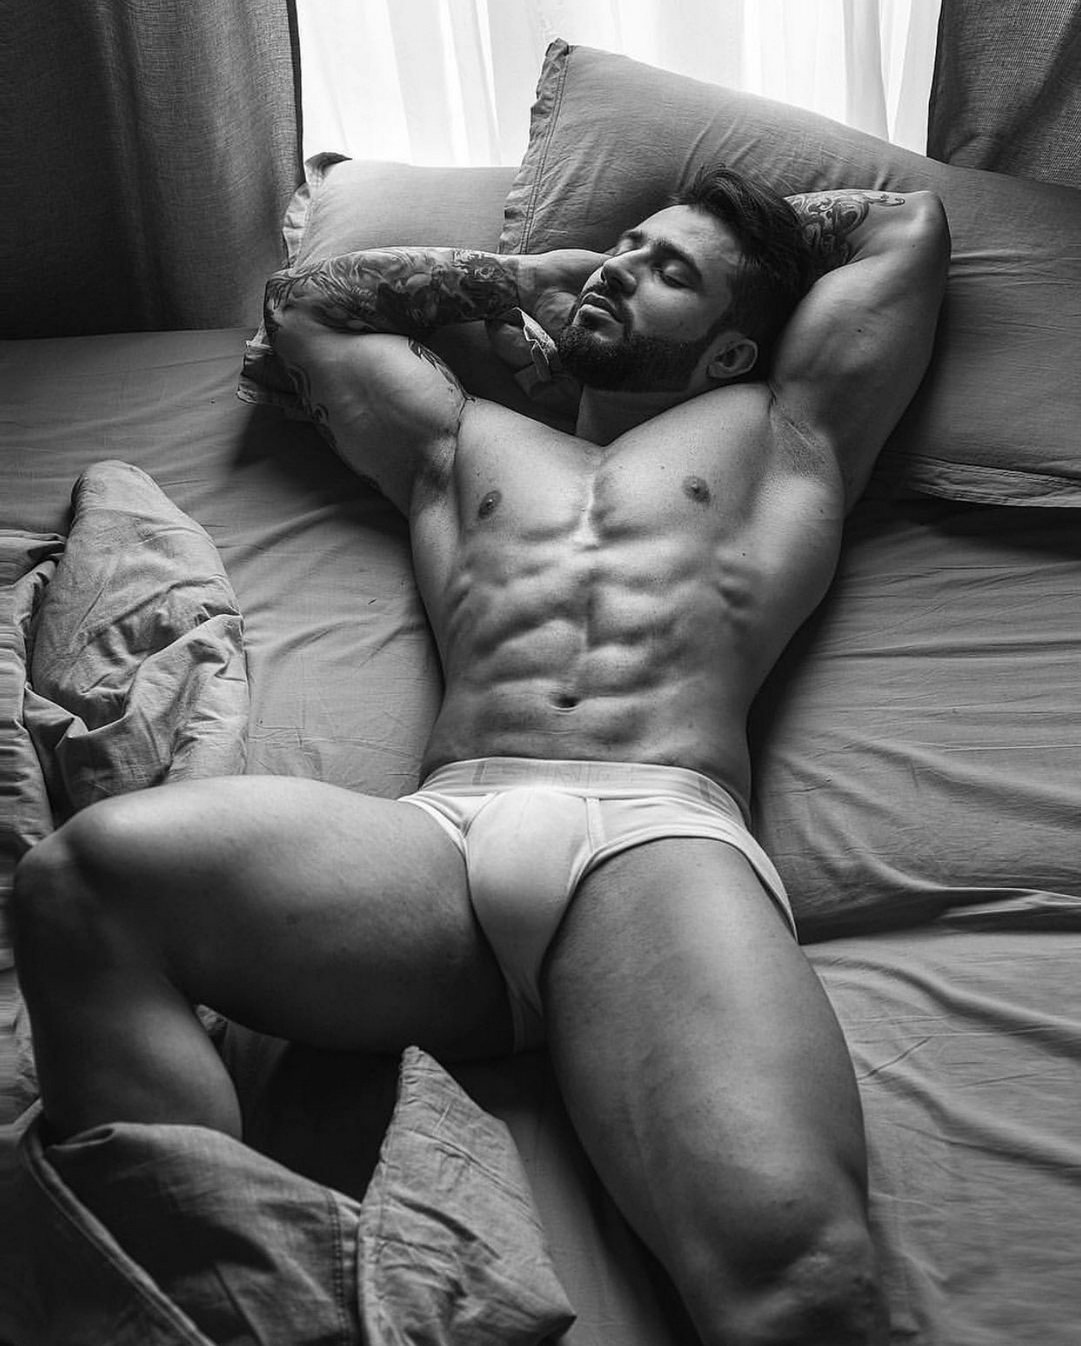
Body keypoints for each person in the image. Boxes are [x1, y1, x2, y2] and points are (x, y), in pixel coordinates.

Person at [13, 165, 949, 1346]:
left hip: (650, 838)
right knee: (82, 880)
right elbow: (305, 309)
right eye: (626, 244)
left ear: (730, 347)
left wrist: (744, 236)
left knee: (804, 1279)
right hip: (443, 844)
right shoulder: (460, 436)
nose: (622, 266)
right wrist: (527, 273)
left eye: (669, 270)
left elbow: (903, 225)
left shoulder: (787, 431)